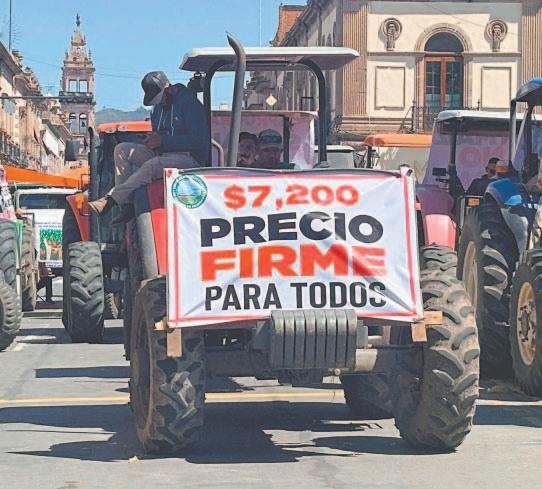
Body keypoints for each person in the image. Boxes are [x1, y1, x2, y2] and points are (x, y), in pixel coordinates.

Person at [88, 71, 209, 220]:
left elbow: (198, 140)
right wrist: (150, 140)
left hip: (188, 158)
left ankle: (112, 199)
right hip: (162, 153)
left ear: (168, 88)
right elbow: (158, 135)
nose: (160, 102)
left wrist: (163, 141)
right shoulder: (157, 109)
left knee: (152, 165)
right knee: (122, 149)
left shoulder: (189, 102)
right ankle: (126, 206)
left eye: (160, 98)